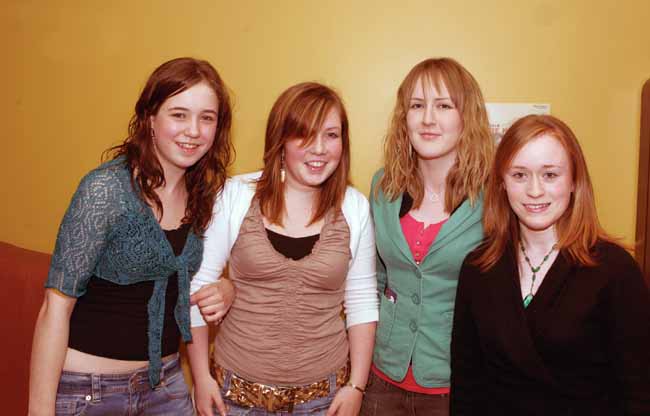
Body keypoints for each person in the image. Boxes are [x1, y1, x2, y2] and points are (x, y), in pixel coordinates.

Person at [28, 57, 234, 416]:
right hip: (90, 392)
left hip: (167, 387)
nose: (194, 131)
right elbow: (55, 309)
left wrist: (228, 289)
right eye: (179, 114)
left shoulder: (204, 194)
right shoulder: (105, 190)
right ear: (150, 119)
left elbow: (186, 283)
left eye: (207, 118)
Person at [187, 82, 378, 416]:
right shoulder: (236, 195)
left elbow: (361, 299)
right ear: (281, 140)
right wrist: (201, 377)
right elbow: (197, 287)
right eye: (304, 134)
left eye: (331, 135)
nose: (319, 149)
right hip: (234, 398)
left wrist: (356, 386)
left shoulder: (354, 206)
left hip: (325, 401)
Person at [450, 114, 650, 415]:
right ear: (502, 183)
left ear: (574, 182)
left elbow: (638, 393)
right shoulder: (478, 268)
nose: (534, 191)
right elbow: (467, 386)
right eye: (519, 175)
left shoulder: (616, 271)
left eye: (550, 175)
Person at [360, 58, 494, 416]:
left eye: (444, 106)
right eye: (417, 106)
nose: (428, 119)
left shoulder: (494, 198)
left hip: (456, 386)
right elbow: (373, 280)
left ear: (467, 117)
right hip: (380, 381)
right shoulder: (382, 188)